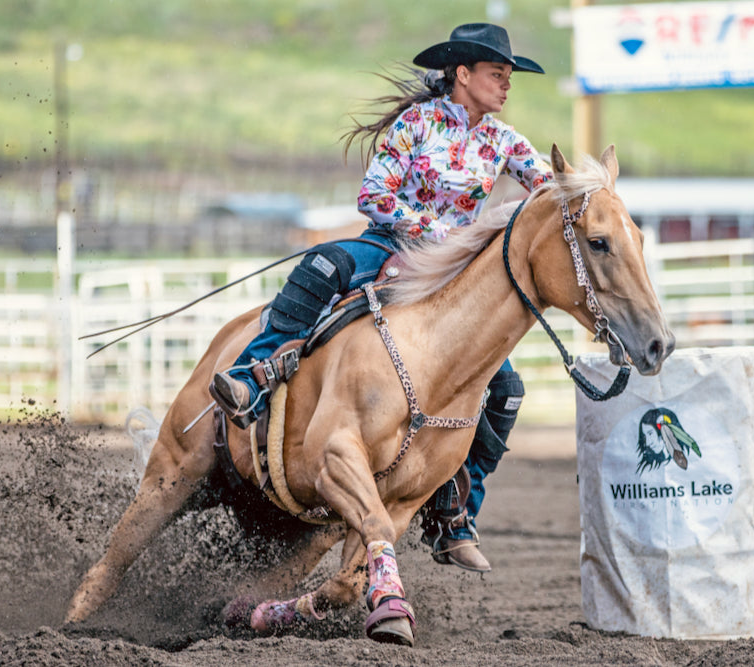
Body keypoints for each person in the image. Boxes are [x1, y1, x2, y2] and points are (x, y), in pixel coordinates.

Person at [209, 22, 553, 573]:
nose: (506, 84)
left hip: (453, 278)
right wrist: (435, 233)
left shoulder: (505, 140)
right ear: (462, 75)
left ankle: (457, 509)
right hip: (392, 244)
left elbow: (549, 190)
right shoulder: (417, 124)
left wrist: (584, 194)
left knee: (506, 388)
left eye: (509, 76)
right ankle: (252, 376)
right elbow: (374, 194)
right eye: (497, 74)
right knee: (324, 265)